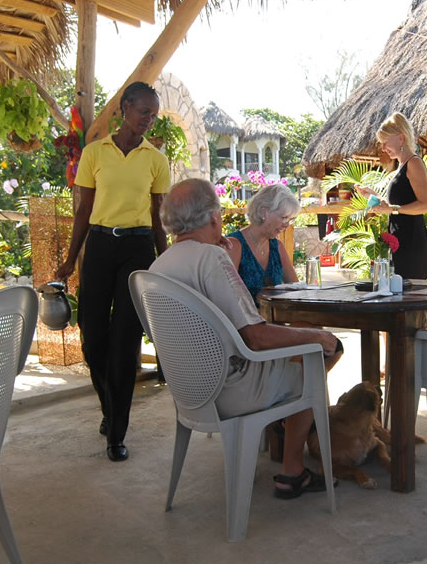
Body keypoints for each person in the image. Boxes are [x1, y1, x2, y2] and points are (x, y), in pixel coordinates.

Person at [151, 178, 343, 499]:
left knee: (304, 352)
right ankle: (292, 472)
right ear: (213, 217)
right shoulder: (213, 259)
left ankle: (286, 429)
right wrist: (318, 335)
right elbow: (254, 337)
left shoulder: (158, 266)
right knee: (314, 359)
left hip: (190, 391)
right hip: (233, 388)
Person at [54, 81, 170, 463]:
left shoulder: (155, 159)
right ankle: (110, 406)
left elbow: (156, 218)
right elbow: (84, 210)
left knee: (124, 343)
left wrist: (163, 260)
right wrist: (72, 258)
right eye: (143, 112)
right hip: (100, 247)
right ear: (124, 109)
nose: (148, 120)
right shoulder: (94, 152)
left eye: (153, 115)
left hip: (137, 250)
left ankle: (116, 432)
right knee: (92, 338)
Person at [357, 112, 427, 279]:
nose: (383, 148)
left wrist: (392, 209)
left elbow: (426, 205)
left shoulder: (414, 162)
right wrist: (373, 196)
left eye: (385, 143)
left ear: (400, 138)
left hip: (412, 243)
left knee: (411, 299)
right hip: (400, 242)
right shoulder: (401, 166)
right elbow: (395, 205)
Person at [225, 183, 299, 304]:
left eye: (290, 219)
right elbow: (226, 299)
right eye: (284, 217)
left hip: (274, 318)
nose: (287, 224)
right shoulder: (234, 245)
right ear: (263, 212)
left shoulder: (277, 247)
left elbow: (296, 289)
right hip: (246, 321)